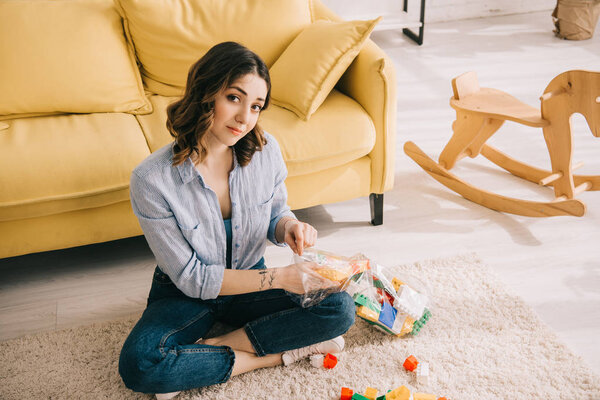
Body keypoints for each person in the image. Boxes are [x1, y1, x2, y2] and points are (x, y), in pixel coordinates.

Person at [118, 42, 356, 399]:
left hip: (251, 281)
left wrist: (289, 226)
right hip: (185, 294)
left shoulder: (265, 151)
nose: (245, 117)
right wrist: (281, 278)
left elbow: (277, 210)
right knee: (141, 364)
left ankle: (216, 347)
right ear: (206, 93)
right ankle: (272, 355)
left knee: (339, 307)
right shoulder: (152, 180)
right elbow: (194, 279)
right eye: (234, 98)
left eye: (256, 106)